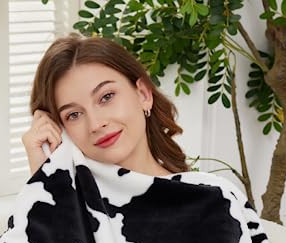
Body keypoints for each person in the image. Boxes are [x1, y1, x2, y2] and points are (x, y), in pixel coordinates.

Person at [21, 32, 190, 178]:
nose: (95, 124)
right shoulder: (64, 201)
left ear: (143, 94)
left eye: (106, 97)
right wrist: (43, 173)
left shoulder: (201, 197)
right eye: (73, 115)